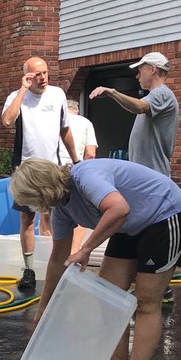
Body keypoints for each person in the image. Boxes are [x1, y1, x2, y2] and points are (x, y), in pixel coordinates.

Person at [10, 158, 181, 360]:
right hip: (128, 225)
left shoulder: (86, 176)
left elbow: (119, 208)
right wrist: (44, 306)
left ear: (40, 191)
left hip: (164, 214)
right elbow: (58, 259)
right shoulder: (61, 209)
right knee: (107, 297)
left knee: (146, 303)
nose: (32, 207)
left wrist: (86, 248)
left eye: (31, 199)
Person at [90, 51, 179, 302]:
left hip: (154, 181)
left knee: (147, 234)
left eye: (140, 69)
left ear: (152, 69)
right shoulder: (156, 96)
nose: (137, 74)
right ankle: (157, 286)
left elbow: (140, 107)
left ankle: (159, 288)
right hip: (147, 180)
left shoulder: (162, 94)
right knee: (138, 232)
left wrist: (112, 92)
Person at [2, 56, 78, 291]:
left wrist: (76, 159)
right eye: (37, 74)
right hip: (27, 169)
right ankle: (29, 269)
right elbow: (7, 120)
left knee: (60, 217)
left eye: (45, 73)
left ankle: (63, 265)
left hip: (52, 167)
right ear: (27, 76)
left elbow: (65, 129)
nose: (43, 78)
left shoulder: (57, 95)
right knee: (27, 218)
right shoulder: (17, 98)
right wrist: (23, 90)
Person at [58, 99, 98, 253]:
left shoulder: (55, 119)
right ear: (77, 110)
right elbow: (90, 153)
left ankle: (52, 252)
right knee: (79, 213)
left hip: (52, 169)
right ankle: (74, 252)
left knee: (49, 213)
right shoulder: (85, 122)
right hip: (74, 170)